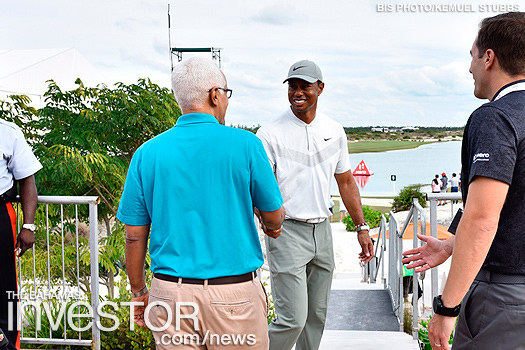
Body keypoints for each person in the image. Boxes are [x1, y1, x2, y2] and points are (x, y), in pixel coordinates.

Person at [117, 57, 285, 350]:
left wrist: (138, 291)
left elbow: (134, 234)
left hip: (170, 295)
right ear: (214, 94)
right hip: (234, 295)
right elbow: (274, 215)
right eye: (226, 94)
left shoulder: (147, 153)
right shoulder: (246, 144)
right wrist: (271, 225)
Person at [403, 12, 525, 350]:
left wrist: (447, 307)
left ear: (489, 58)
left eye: (472, 57)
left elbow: (483, 217)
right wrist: (450, 244)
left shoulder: (495, 117)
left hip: (505, 298)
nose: (469, 68)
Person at [256, 59, 374, 350]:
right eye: (292, 86)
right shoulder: (269, 133)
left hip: (322, 230)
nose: (298, 92)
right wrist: (266, 219)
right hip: (286, 233)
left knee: (316, 317)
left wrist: (362, 227)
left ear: (319, 88)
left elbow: (346, 182)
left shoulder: (334, 131)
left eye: (305, 86)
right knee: (292, 319)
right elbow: (260, 187)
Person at [0, 118, 41, 350]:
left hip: (1, 215)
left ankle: (9, 344)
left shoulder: (7, 132)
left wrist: (29, 226)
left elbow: (27, 179)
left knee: (6, 287)